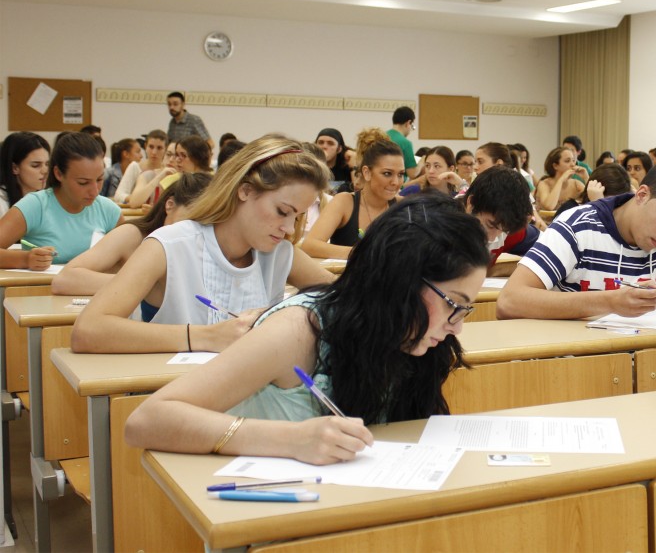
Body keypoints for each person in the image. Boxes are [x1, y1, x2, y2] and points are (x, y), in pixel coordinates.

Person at [123, 193, 490, 463]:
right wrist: (291, 440)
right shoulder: (298, 330)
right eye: (453, 305)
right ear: (401, 282)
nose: (455, 327)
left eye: (465, 309)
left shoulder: (415, 340)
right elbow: (146, 421)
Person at [70, 136, 336, 353]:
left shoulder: (279, 253)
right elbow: (88, 330)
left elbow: (346, 300)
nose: (289, 229)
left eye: (297, 217)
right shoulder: (170, 245)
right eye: (282, 211)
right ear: (245, 190)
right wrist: (205, 337)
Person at [497, 156, 656, 321]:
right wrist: (610, 302)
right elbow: (510, 301)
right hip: (572, 365)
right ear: (642, 195)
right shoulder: (576, 227)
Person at [53, 173, 213, 295]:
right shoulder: (132, 235)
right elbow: (64, 280)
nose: (193, 231)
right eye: (189, 222)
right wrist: (145, 281)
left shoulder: (207, 246)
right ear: (170, 205)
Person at [0, 132, 124, 270]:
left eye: (100, 179)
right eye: (83, 183)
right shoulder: (35, 206)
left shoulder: (109, 211)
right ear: (58, 173)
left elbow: (133, 257)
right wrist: (26, 259)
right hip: (42, 289)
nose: (95, 191)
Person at [302, 138, 404, 259]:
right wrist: (366, 253)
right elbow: (310, 246)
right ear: (367, 173)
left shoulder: (404, 206)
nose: (396, 182)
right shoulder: (344, 202)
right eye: (387, 173)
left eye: (401, 174)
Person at [461, 166, 536, 266]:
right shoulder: (440, 232)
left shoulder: (506, 226)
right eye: (490, 225)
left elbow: (552, 245)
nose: (492, 238)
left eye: (504, 230)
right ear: (471, 204)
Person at [554, 162, 633, 219]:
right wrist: (598, 204)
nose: (613, 208)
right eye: (610, 201)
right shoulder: (570, 210)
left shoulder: (619, 213)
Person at [0, 132, 50, 217]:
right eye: (36, 165)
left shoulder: (46, 198)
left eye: (47, 164)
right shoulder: (2, 203)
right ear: (15, 168)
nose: (45, 171)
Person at [113, 130, 167, 205]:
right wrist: (137, 198)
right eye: (151, 147)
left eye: (159, 148)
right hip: (136, 213)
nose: (154, 152)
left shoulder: (168, 170)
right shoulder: (135, 166)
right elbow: (118, 195)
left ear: (165, 149)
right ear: (145, 146)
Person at [399, 146, 464, 197]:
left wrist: (461, 183)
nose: (430, 171)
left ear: (451, 169)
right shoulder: (413, 191)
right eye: (427, 166)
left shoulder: (458, 197)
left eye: (437, 166)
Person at [315, 128, 353, 192]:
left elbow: (357, 190)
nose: (324, 146)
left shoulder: (346, 169)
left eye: (330, 143)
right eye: (321, 142)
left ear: (339, 149)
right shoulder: (310, 168)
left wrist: (354, 166)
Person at [386, 106, 419, 179]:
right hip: (396, 186)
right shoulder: (405, 143)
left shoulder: (381, 136)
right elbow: (412, 174)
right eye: (412, 126)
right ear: (408, 123)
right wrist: (422, 163)